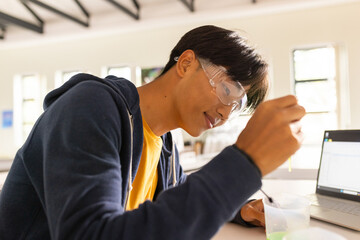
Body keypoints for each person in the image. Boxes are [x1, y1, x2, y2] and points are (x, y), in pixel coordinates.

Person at [0, 25, 305, 239]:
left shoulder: (165, 142)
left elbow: (179, 193)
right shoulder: (90, 106)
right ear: (186, 63)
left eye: (236, 106)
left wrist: (242, 209)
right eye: (228, 89)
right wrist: (244, 163)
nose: (226, 112)